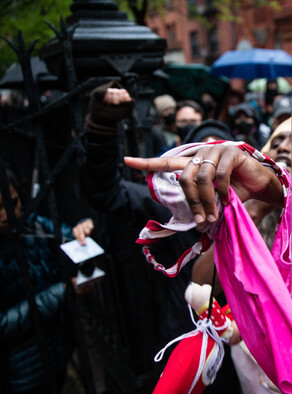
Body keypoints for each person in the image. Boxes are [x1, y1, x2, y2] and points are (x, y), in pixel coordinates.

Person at [125, 113, 292, 392]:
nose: (283, 147)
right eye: (277, 140)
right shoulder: (248, 228)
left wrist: (276, 186)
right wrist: (255, 208)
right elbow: (202, 283)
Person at [77, 81, 241, 392]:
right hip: (181, 342)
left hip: (242, 353)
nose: (210, 166)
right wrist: (101, 127)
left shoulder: (254, 210)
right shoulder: (162, 207)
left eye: (221, 153)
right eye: (200, 153)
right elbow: (105, 191)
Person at [0, 168, 94, 393]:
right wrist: (62, 291)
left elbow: (69, 236)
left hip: (59, 351)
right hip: (18, 372)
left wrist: (84, 228)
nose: (7, 215)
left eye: (12, 202)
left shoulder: (32, 224)